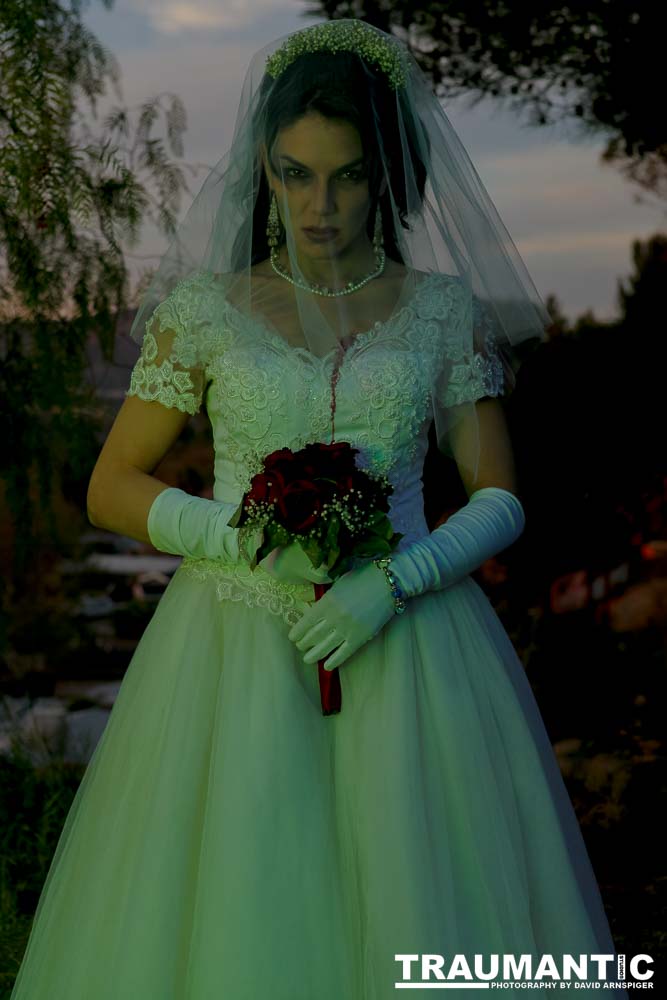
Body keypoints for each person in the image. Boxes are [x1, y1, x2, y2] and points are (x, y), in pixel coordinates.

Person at [10, 19, 630, 1000]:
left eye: (345, 175)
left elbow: (500, 497)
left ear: (386, 171)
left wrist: (392, 581)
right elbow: (111, 483)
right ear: (264, 163)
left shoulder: (438, 310)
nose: (320, 203)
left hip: (412, 649)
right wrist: (249, 542)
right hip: (231, 651)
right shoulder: (204, 310)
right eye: (296, 173)